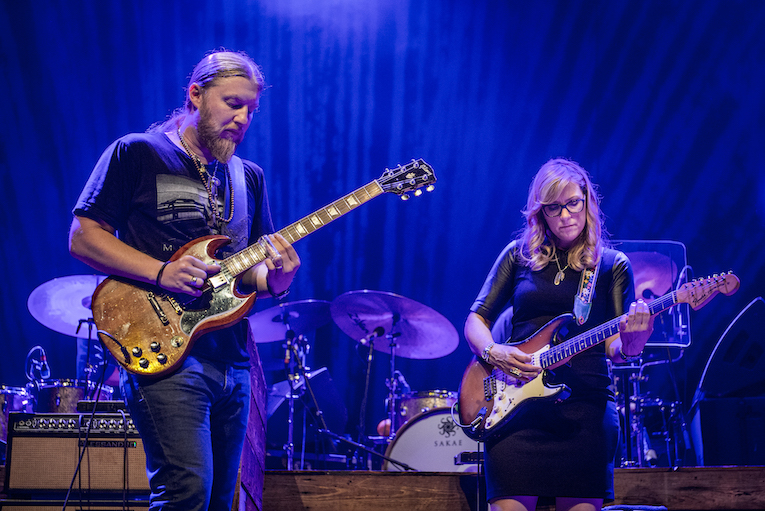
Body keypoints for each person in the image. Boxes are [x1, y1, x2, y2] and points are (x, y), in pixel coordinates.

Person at [69, 49, 300, 510]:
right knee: (184, 493)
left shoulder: (247, 176)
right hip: (165, 348)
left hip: (233, 361)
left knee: (217, 501)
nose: (243, 118)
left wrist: (279, 278)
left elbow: (247, 269)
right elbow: (84, 238)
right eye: (233, 103)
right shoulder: (137, 151)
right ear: (195, 94)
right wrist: (162, 271)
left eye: (251, 110)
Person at [464, 158, 654, 511]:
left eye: (573, 203)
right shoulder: (518, 257)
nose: (565, 215)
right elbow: (476, 320)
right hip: (516, 410)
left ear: (587, 202)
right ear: (540, 213)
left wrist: (634, 341)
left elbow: (617, 350)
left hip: (584, 411)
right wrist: (494, 352)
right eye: (553, 207)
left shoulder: (611, 265)